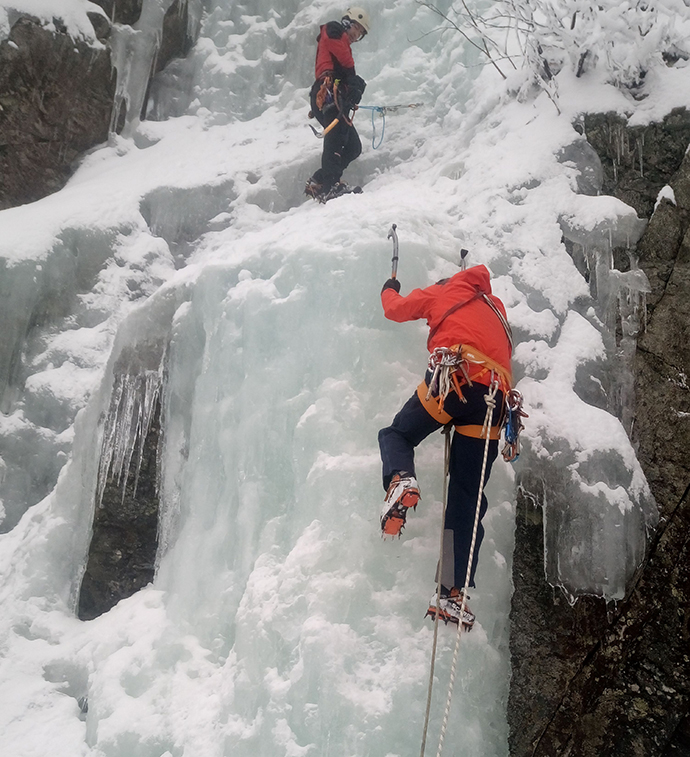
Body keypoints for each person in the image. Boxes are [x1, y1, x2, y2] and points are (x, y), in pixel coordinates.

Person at [377, 264, 513, 629]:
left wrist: (389, 287)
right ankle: (451, 592)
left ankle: (401, 479)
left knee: (397, 435)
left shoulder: (445, 290)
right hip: (494, 402)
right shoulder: (496, 308)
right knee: (466, 498)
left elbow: (396, 308)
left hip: (454, 378)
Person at [305, 7, 369, 203]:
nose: (355, 37)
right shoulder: (334, 30)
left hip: (334, 95)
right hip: (327, 92)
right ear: (349, 23)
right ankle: (330, 187)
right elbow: (344, 62)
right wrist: (352, 78)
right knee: (334, 137)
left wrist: (352, 88)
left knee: (353, 146)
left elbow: (345, 71)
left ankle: (321, 179)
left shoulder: (340, 39)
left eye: (359, 35)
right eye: (356, 31)